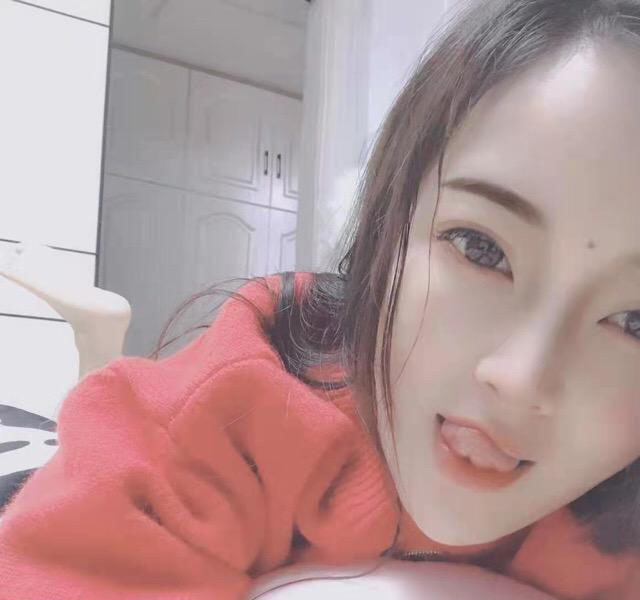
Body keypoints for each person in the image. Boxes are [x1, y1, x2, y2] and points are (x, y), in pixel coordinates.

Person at [1, 0, 640, 598]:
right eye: (479, 248)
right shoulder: (240, 405)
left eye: (635, 321)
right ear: (388, 225)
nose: (522, 379)